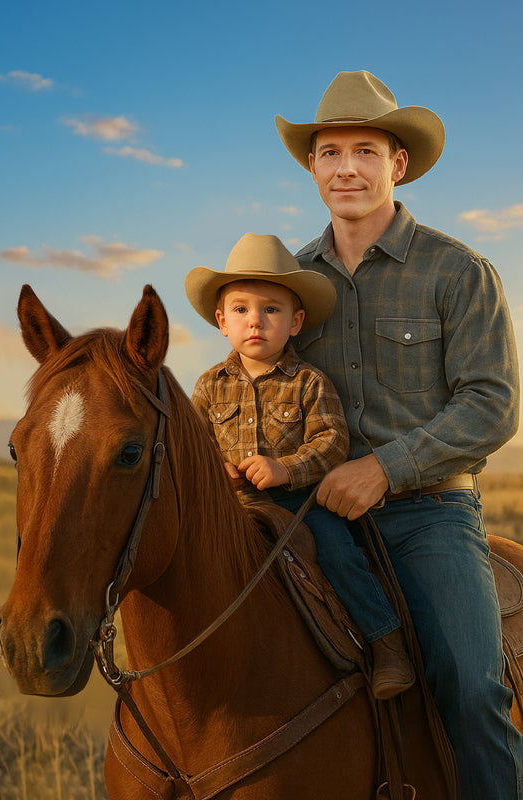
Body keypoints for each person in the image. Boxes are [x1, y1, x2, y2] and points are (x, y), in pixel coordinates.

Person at [275, 69, 522, 798]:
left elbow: (491, 404)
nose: (344, 167)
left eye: (363, 150)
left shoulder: (457, 272)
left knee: (472, 689)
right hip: (310, 513)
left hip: (429, 514)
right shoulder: (289, 281)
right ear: (311, 166)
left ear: (397, 163)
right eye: (327, 152)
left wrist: (383, 468)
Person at [185, 231, 415, 699]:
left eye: (272, 309)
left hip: (299, 501)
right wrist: (217, 470)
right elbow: (197, 446)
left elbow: (332, 441)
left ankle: (386, 643)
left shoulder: (309, 382)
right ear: (221, 321)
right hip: (232, 504)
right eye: (242, 309)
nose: (256, 321)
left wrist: (285, 469)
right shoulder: (209, 386)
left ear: (295, 322)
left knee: (336, 553)